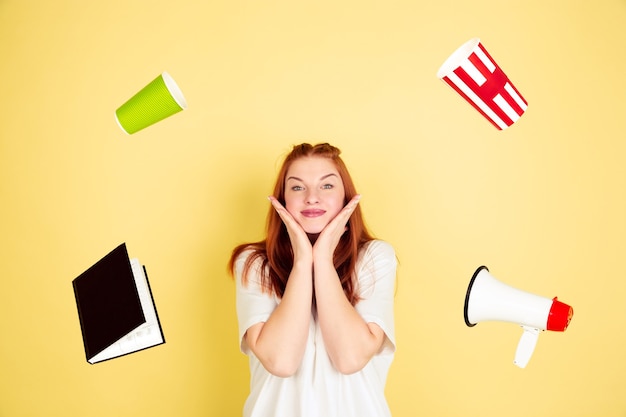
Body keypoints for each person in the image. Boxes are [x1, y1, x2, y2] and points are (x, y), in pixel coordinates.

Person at [228, 143, 397, 417]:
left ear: (346, 197)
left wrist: (323, 262)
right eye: (297, 187)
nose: (312, 198)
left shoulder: (375, 257)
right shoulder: (253, 262)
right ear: (282, 199)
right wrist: (303, 261)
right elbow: (281, 361)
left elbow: (349, 358)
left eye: (327, 186)